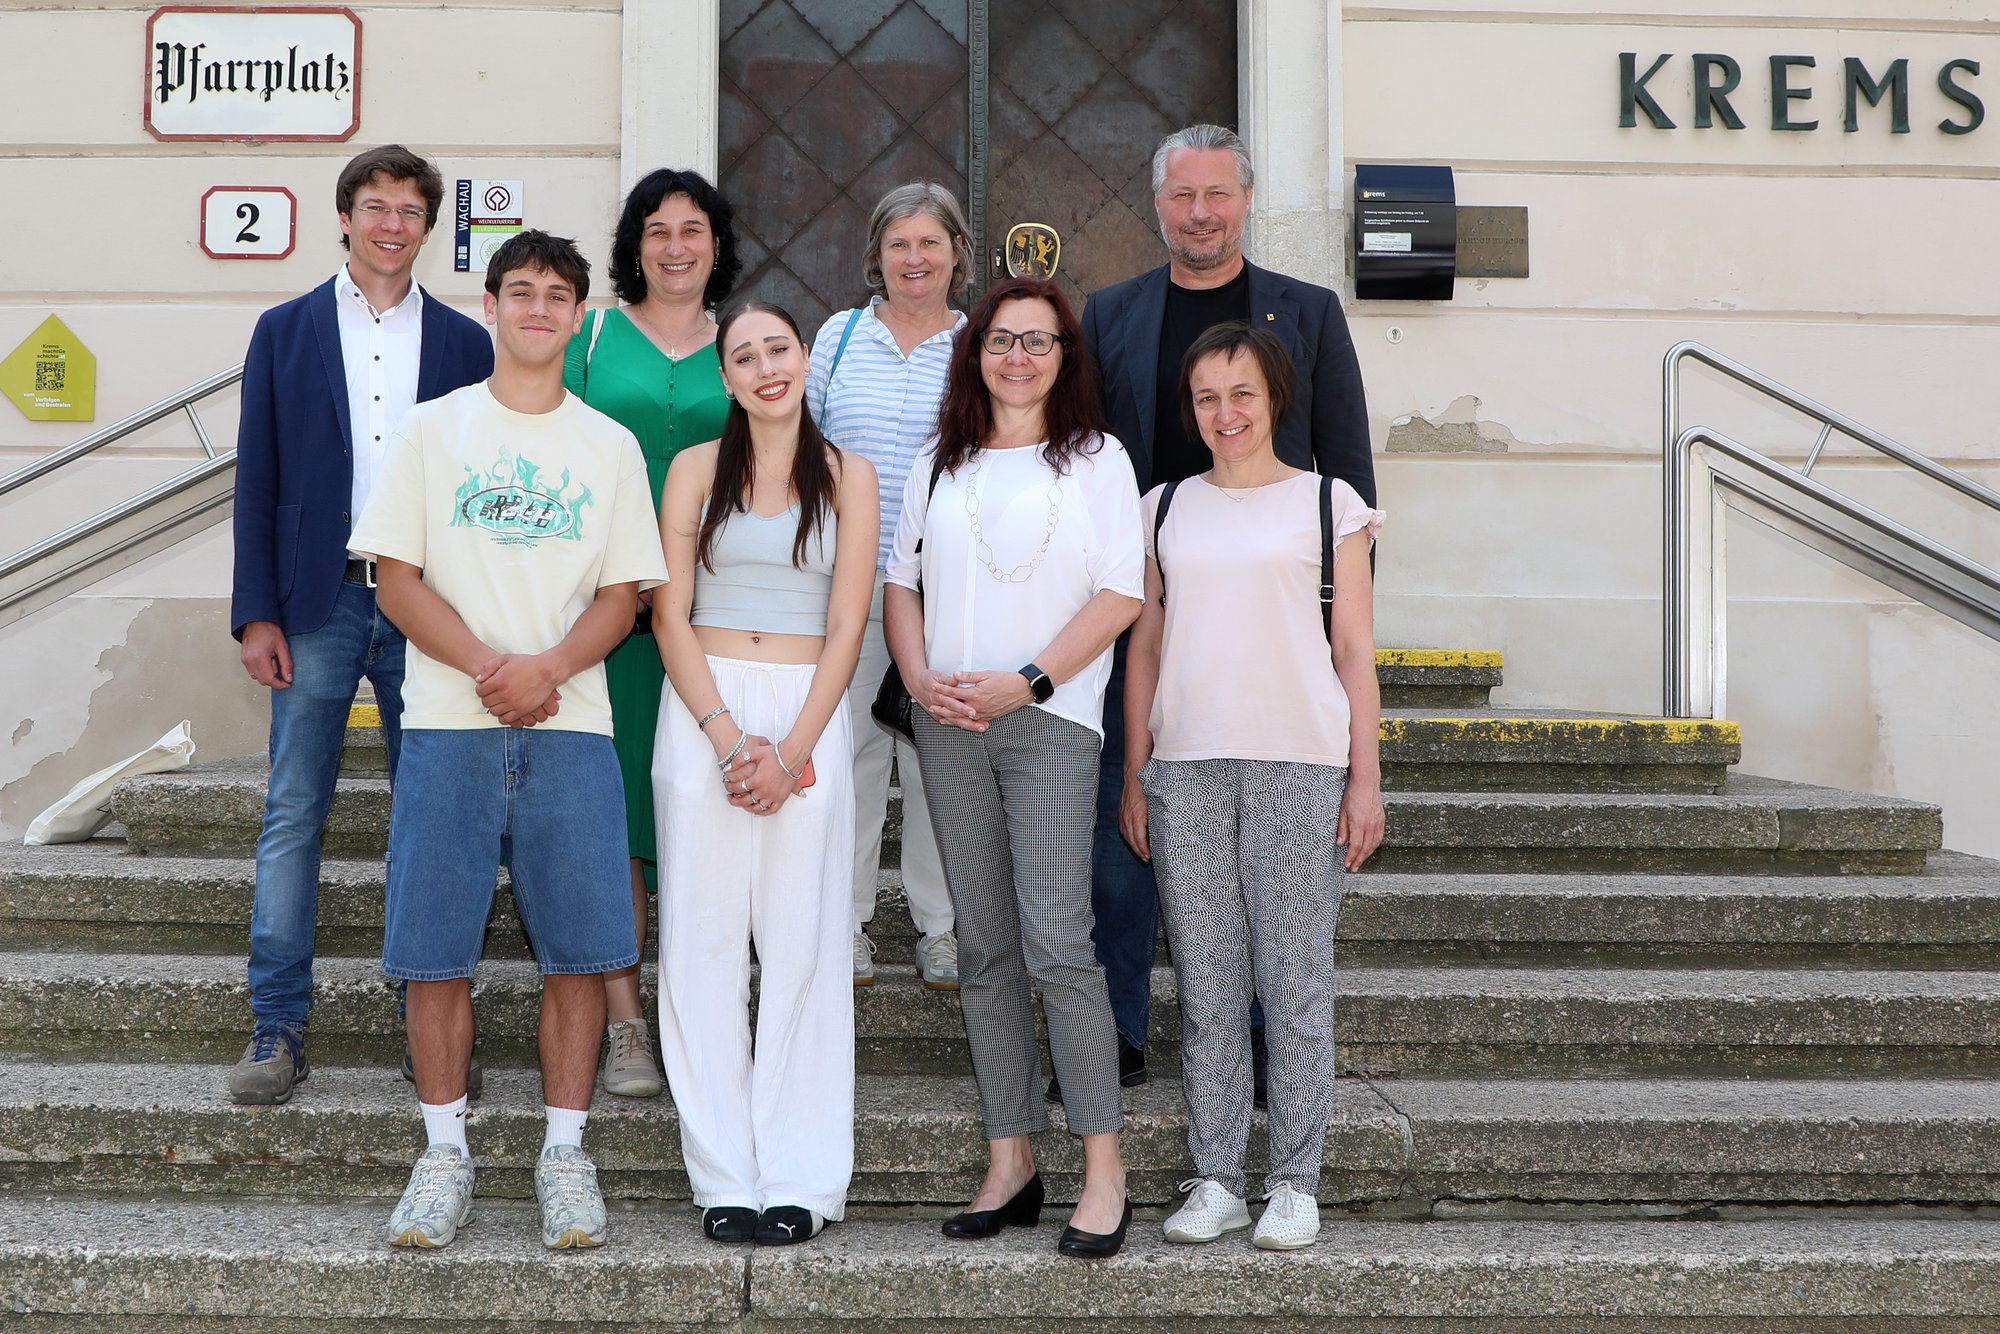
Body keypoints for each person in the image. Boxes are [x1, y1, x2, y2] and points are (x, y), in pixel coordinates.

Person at [352, 230, 668, 1251]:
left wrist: (545, 668)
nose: (538, 306)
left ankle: (563, 1153)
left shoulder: (608, 445)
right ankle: (442, 1151)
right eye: (520, 290)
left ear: (579, 318)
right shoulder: (434, 430)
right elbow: (395, 576)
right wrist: (494, 665)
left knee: (578, 954)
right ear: (489, 305)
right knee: (435, 952)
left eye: (557, 295)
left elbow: (625, 594)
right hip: (447, 722)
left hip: (571, 724)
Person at [1076, 123, 1377, 1096]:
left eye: (1215, 195)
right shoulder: (1110, 314)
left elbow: (1345, 469)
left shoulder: (1308, 312)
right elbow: (1083, 464)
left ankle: (1262, 1043)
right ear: (1155, 205)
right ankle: (1120, 1026)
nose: (1198, 213)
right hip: (1144, 610)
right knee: (1123, 834)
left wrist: (1340, 620)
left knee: (1264, 865)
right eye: (1180, 197)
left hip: (1268, 622)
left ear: (1245, 199)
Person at [884, 276, 1143, 1259]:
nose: (1018, 357)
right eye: (1001, 339)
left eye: (1038, 341)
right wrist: (917, 679)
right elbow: (899, 581)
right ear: (975, 351)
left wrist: (1025, 682)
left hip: (1049, 721)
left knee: (1055, 941)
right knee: (982, 946)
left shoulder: (1095, 458)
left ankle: (1103, 1170)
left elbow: (1121, 590)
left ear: (1063, 356)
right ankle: (1010, 1158)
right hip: (947, 719)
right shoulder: (935, 461)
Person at [227, 144, 492, 1106]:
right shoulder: (284, 329)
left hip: (426, 604)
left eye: (409, 210)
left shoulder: (467, 344)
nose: (391, 224)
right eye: (374, 206)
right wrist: (256, 611)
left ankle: (422, 1015)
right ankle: (277, 1025)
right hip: (317, 601)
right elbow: (258, 477)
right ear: (344, 217)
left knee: (433, 817)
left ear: (428, 228)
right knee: (295, 810)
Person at [1122, 322, 1384, 1251]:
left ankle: (1295, 1181)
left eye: (1241, 394)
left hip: (1299, 761)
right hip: (1187, 764)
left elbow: (1353, 649)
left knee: (1295, 978)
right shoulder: (1162, 508)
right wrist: (1136, 771)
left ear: (1274, 398)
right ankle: (1219, 1176)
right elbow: (1145, 646)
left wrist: (1366, 780)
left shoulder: (1328, 505)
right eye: (1205, 398)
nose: (1223, 414)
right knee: (1208, 983)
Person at [652, 300, 877, 1247]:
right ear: (727, 377)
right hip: (704, 708)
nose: (763, 368)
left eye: (776, 349)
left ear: (803, 360)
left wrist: (790, 754)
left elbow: (848, 625)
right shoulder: (696, 469)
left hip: (808, 712)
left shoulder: (850, 475)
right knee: (701, 944)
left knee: (804, 946)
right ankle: (724, 1174)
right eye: (742, 357)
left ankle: (800, 1173)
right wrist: (724, 733)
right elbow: (667, 612)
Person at [563, 168, 740, 1099]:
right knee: (623, 816)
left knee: (704, 809)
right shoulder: (591, 334)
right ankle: (628, 1023)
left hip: (720, 617)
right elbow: (556, 451)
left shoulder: (746, 343)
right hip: (615, 612)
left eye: (694, 229)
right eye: (658, 230)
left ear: (718, 243)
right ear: (635, 243)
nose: (676, 246)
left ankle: (700, 1010)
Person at [804, 181, 971, 992]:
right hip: (854, 588)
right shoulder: (837, 341)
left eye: (930, 244)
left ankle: (940, 929)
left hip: (951, 591)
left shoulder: (980, 347)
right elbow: (799, 451)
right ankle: (852, 923)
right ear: (876, 254)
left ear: (955, 256)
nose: (914, 259)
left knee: (940, 761)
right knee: (857, 757)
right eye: (899, 244)